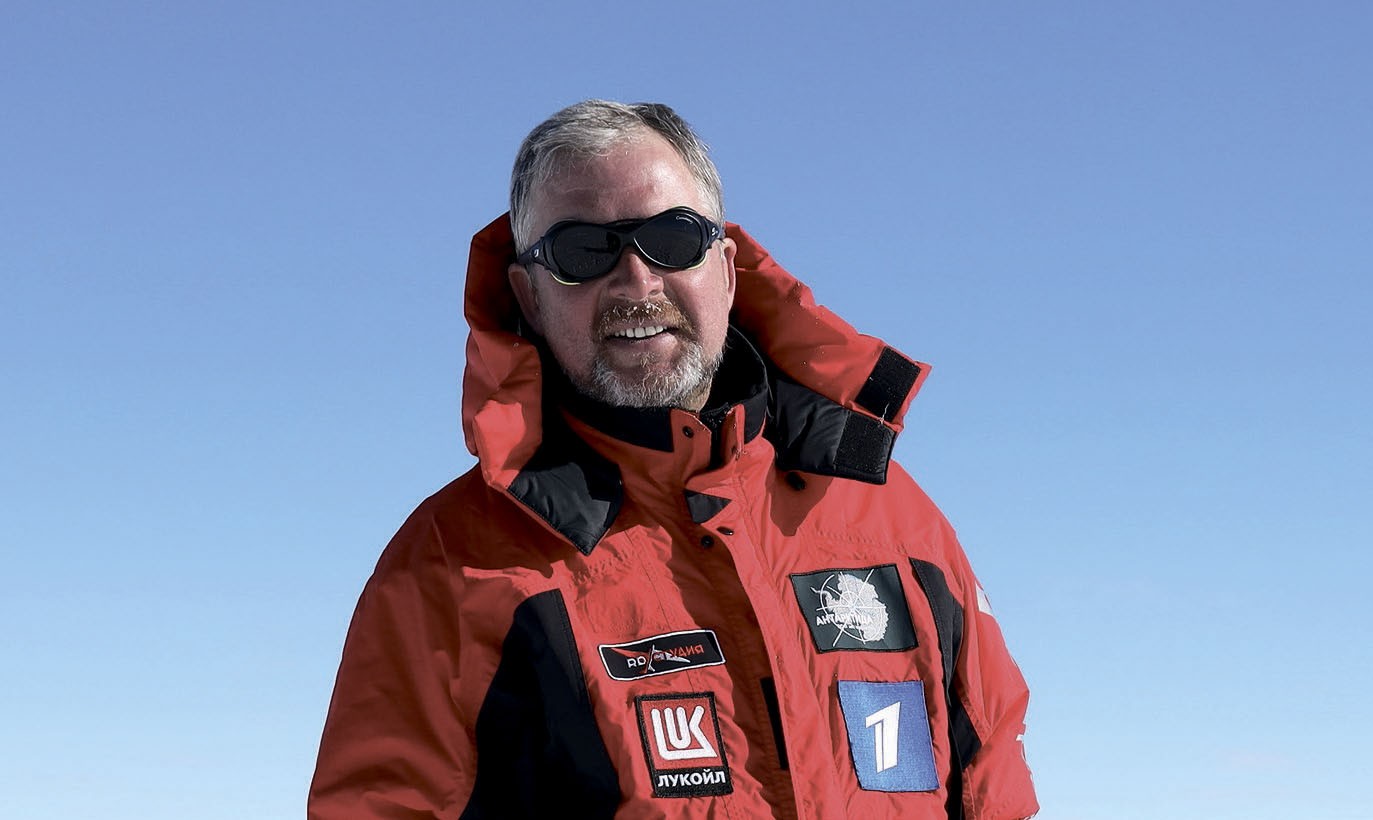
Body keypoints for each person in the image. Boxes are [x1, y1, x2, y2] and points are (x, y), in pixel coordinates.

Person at [309, 100, 1038, 820]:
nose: (636, 281)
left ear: (726, 267)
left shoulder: (895, 521)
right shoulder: (451, 565)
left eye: (672, 238)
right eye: (582, 252)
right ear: (528, 297)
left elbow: (992, 788)